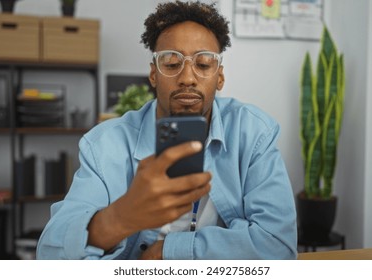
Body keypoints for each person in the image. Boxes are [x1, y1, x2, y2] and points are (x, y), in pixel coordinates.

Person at [37, 0, 297, 260]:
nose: (187, 77)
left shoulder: (253, 133)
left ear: (220, 76)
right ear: (154, 74)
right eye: (172, 64)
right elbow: (50, 255)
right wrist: (121, 216)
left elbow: (278, 246)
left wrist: (169, 251)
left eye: (204, 64)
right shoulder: (104, 145)